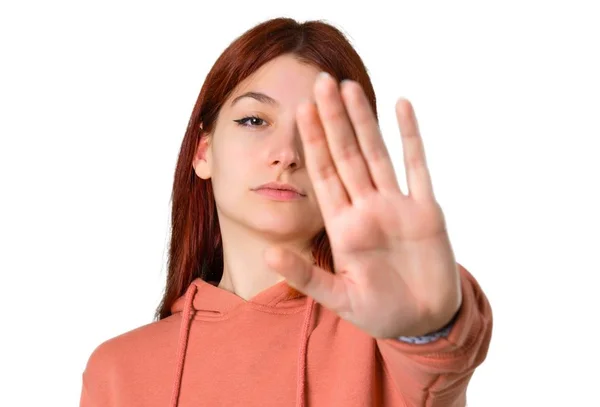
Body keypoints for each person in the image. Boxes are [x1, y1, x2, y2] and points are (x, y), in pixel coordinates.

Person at [79, 17, 493, 407]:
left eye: (319, 131)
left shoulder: (387, 337)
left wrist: (432, 325)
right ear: (203, 152)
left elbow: (442, 359)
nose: (287, 155)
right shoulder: (117, 370)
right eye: (255, 119)